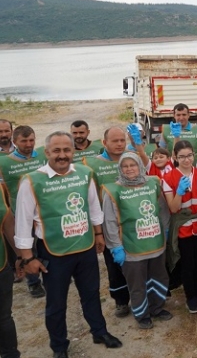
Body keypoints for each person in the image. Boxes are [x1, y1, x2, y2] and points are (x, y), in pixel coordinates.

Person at [14, 131, 122, 357]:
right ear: (47, 153)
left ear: (73, 151)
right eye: (57, 151)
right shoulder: (32, 181)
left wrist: (99, 233)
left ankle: (99, 331)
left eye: (66, 150)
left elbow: (93, 206)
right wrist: (27, 257)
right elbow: (22, 221)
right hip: (54, 252)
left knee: (91, 293)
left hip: (85, 246)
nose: (62, 155)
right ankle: (59, 346)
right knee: (56, 303)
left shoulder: (84, 173)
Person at [102, 152, 173, 330]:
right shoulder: (113, 190)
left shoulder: (153, 183)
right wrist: (115, 246)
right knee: (137, 283)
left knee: (158, 277)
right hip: (130, 246)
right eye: (125, 166)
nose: (129, 169)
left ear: (139, 166)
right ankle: (142, 314)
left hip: (156, 242)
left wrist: (165, 228)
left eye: (132, 165)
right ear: (120, 169)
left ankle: (157, 308)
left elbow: (163, 209)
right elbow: (109, 221)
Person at [82, 126, 131, 317]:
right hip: (109, 223)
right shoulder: (92, 165)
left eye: (122, 141)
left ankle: (138, 296)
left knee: (135, 263)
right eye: (115, 141)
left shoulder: (130, 159)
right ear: (104, 143)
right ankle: (121, 300)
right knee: (114, 265)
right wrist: (97, 231)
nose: (119, 144)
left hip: (132, 219)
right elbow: (90, 197)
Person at [162, 140, 197, 314]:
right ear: (175, 157)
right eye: (181, 157)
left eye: (189, 155)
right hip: (182, 227)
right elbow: (173, 208)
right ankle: (191, 297)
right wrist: (179, 193)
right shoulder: (168, 178)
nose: (186, 160)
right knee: (187, 264)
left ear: (193, 155)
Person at [0, 125, 47, 298]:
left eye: (31, 140)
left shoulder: (43, 155)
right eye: (24, 141)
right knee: (27, 247)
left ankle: (50, 272)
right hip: (20, 212)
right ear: (15, 141)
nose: (29, 144)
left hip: (44, 209)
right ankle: (33, 282)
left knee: (45, 243)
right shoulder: (4, 162)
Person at [0, 186, 22, 358]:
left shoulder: (0, 189)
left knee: (4, 317)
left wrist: (21, 256)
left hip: (1, 266)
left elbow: (8, 224)